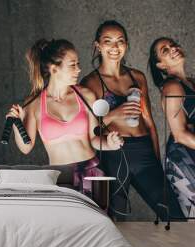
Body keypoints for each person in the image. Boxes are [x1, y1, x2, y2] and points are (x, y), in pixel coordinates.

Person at [81, 20, 184, 220]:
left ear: (126, 45)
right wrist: (114, 114)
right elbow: (89, 131)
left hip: (144, 151)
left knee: (174, 216)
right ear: (98, 46)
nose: (115, 47)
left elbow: (150, 123)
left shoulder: (137, 77)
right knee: (115, 221)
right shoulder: (90, 82)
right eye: (108, 41)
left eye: (120, 41)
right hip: (114, 156)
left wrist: (155, 160)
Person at [6, 38, 123, 194]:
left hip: (92, 172)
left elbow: (94, 139)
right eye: (73, 65)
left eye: (78, 64)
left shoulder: (86, 95)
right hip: (59, 178)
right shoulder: (34, 104)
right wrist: (16, 123)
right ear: (54, 69)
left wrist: (109, 144)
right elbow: (26, 147)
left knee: (98, 218)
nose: (78, 70)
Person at [149, 37, 195, 217]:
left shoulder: (191, 81)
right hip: (184, 157)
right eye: (165, 50)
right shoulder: (172, 86)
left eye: (173, 44)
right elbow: (180, 134)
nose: (173, 48)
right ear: (161, 65)